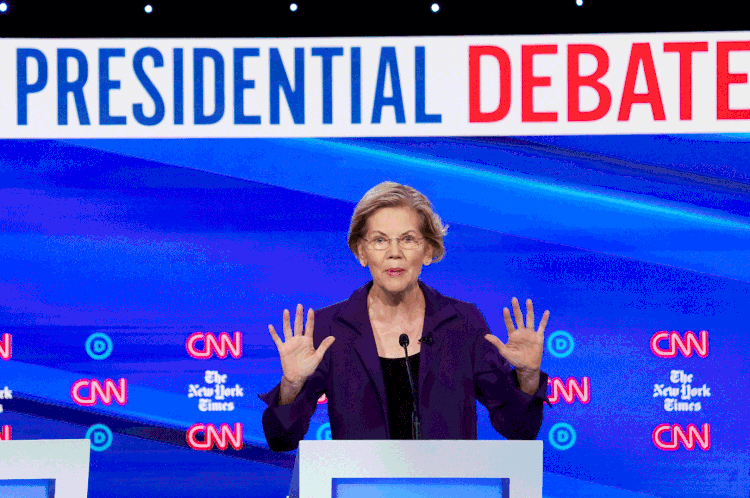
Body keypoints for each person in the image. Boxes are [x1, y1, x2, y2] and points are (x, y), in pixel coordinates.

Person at [259, 181, 550, 451]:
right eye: (380, 240)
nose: (394, 253)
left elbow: (519, 429)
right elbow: (281, 439)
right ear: (361, 253)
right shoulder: (331, 329)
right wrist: (292, 385)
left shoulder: (463, 322)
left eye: (408, 239)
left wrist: (527, 376)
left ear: (429, 251)